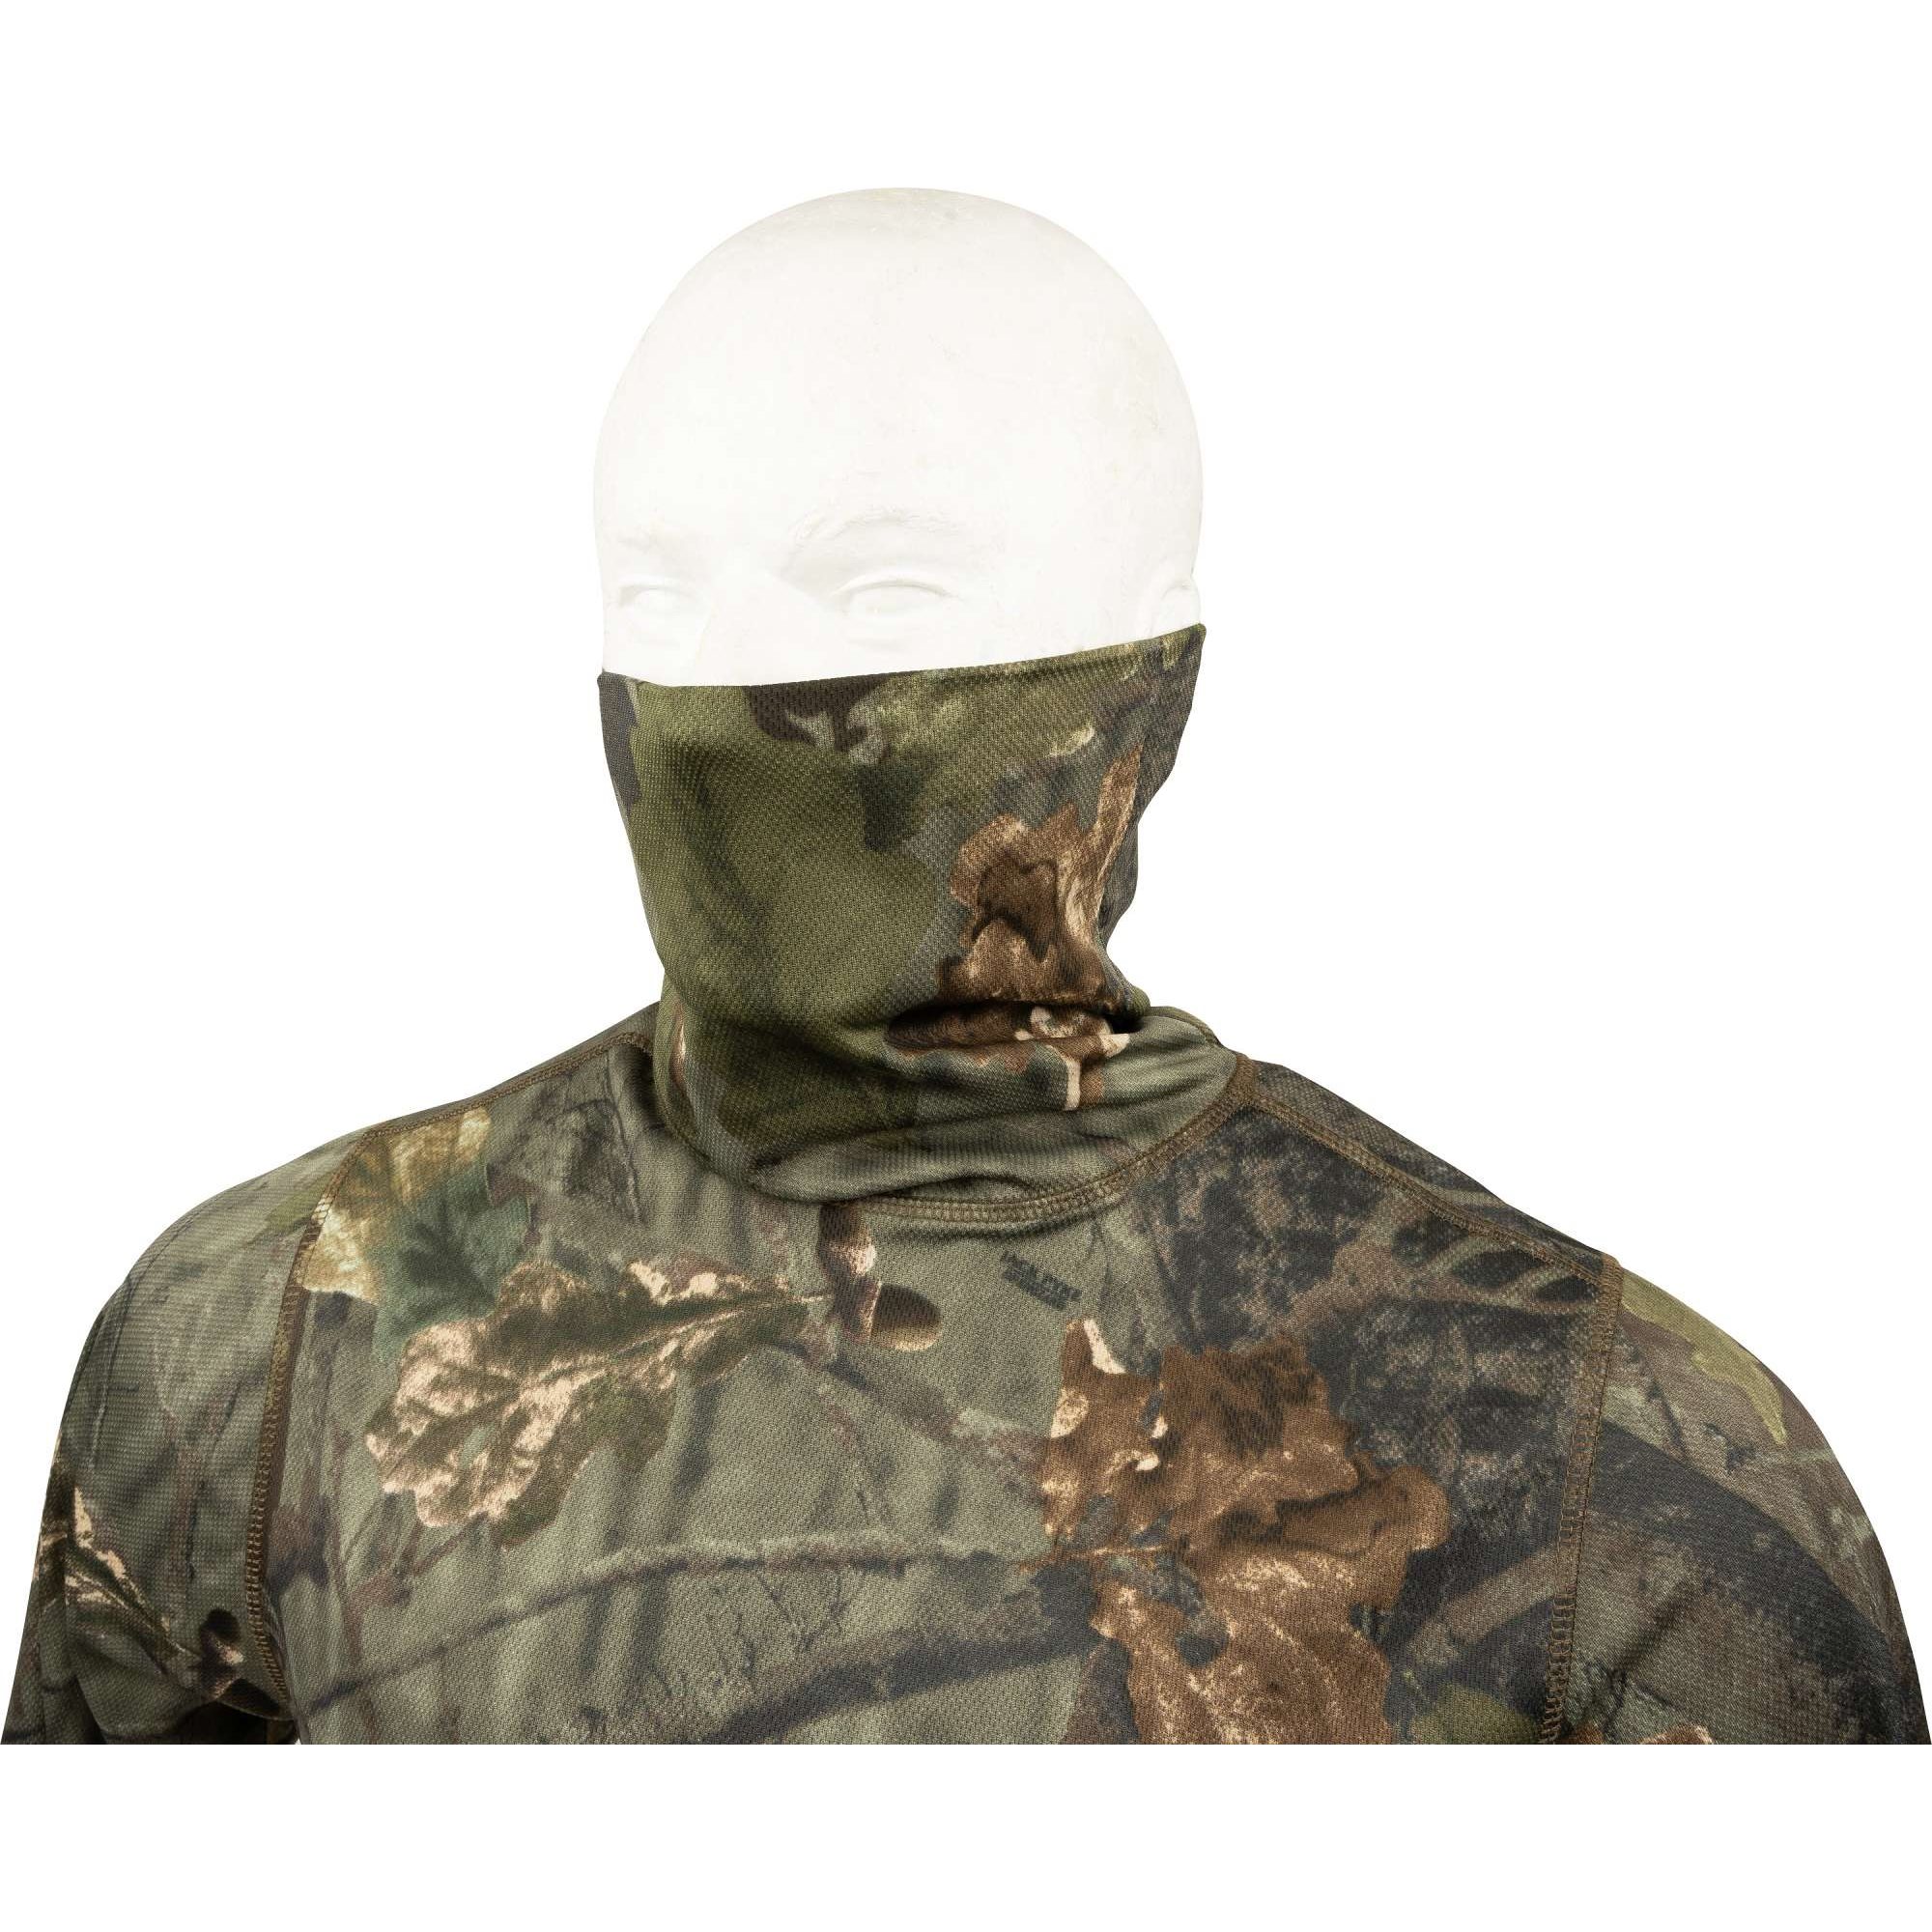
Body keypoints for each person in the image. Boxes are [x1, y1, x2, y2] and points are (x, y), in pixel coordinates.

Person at [7, 191, 1920, 1744]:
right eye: (659, 595)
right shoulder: (256, 1342)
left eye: (885, 595)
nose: (727, 687)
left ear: (1151, 667)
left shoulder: (1600, 1451)